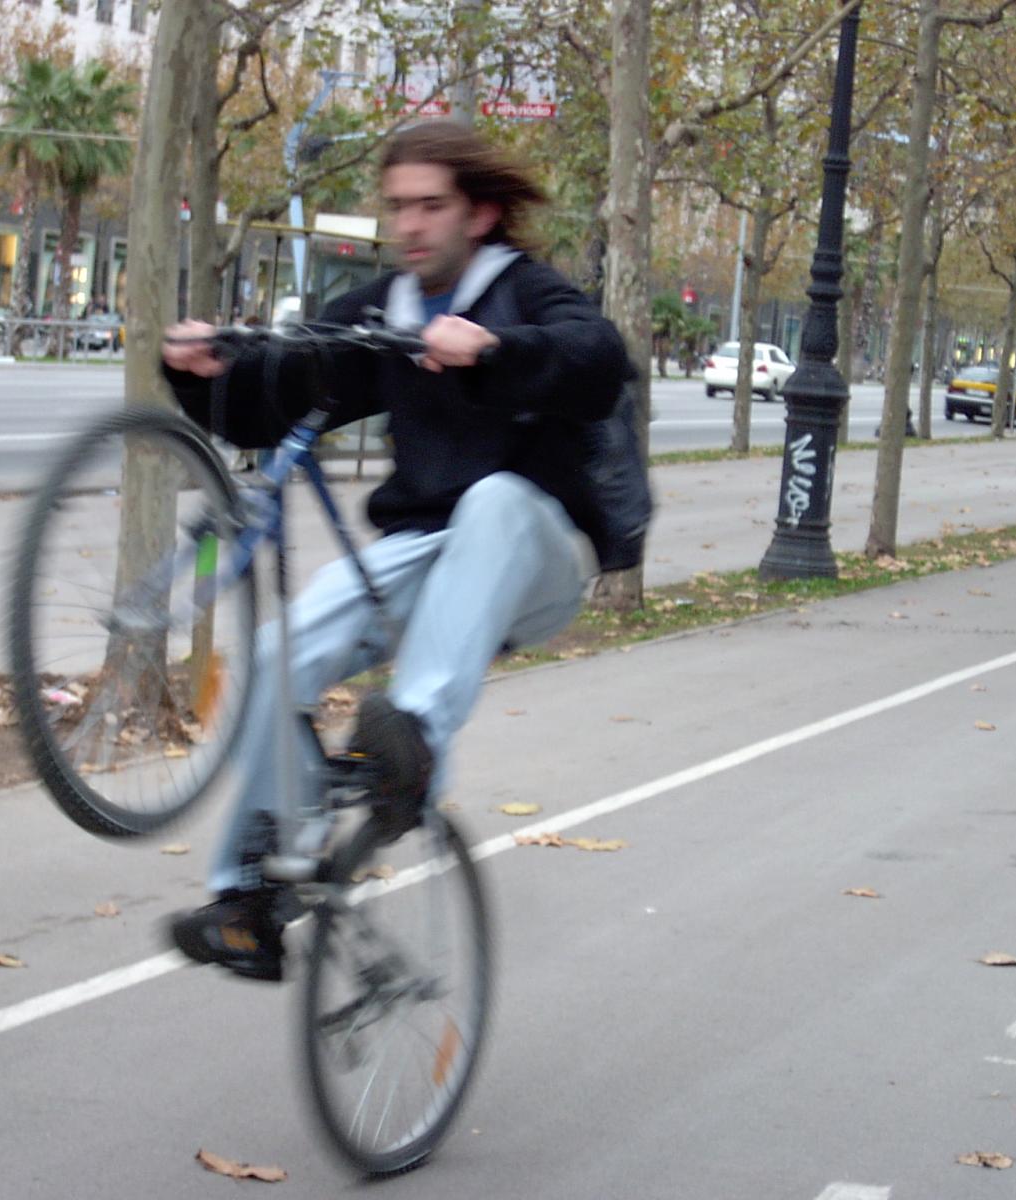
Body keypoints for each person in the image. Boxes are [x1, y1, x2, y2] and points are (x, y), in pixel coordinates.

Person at [159, 121, 639, 981]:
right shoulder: (389, 309)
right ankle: (253, 898)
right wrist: (205, 372)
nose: (410, 226)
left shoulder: (528, 293)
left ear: (481, 214)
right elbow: (281, 392)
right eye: (397, 209)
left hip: (537, 557)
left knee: (492, 500)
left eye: (431, 206)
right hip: (429, 554)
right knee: (280, 652)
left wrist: (491, 349)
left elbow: (596, 360)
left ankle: (411, 736)